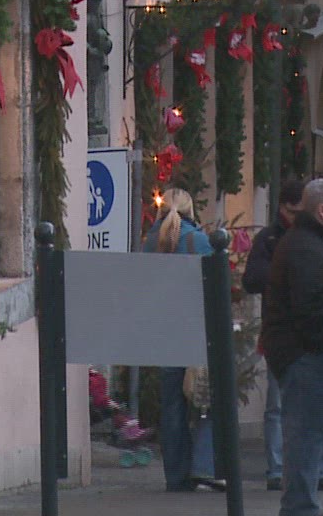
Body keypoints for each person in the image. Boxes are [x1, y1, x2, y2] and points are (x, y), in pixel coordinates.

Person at [265, 179, 323, 516]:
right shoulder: (307, 248)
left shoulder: (311, 243)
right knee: (305, 436)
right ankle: (300, 508)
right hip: (304, 354)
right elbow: (311, 307)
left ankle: (301, 505)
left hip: (303, 351)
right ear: (322, 211)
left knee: (307, 434)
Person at [145, 189, 216, 492]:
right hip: (194, 327)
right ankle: (203, 467)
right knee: (204, 398)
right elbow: (214, 285)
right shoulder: (197, 240)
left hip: (163, 331)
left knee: (171, 403)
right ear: (190, 210)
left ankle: (175, 474)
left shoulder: (150, 241)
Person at [243, 179, 307, 492]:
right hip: (280, 329)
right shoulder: (269, 238)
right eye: (293, 212)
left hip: (307, 330)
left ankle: (312, 469)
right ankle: (277, 469)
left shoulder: (311, 235)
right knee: (277, 404)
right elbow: (252, 279)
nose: (297, 218)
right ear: (283, 208)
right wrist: (285, 274)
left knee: (316, 406)